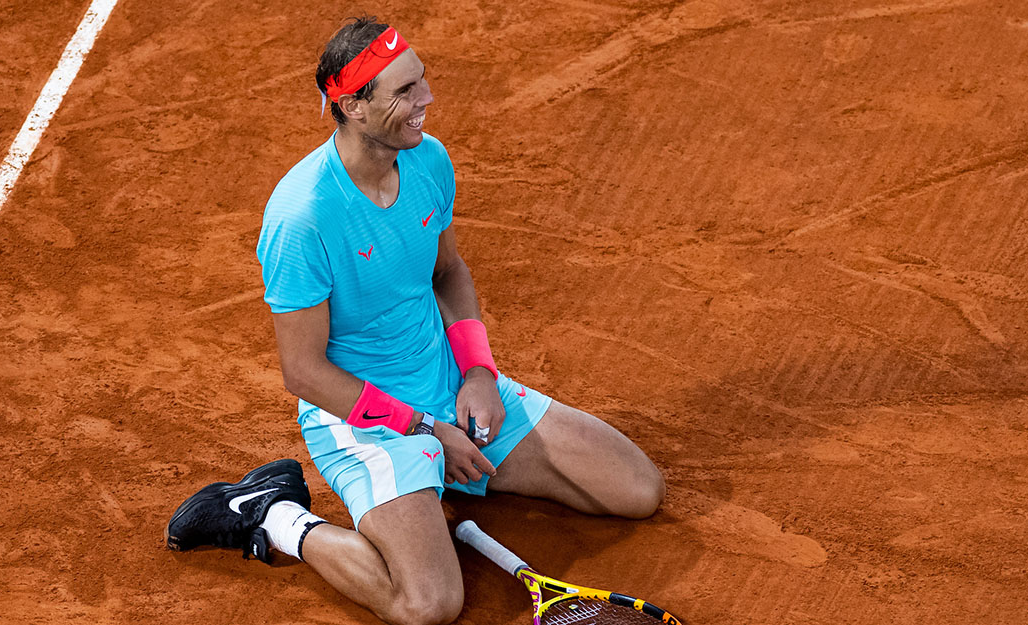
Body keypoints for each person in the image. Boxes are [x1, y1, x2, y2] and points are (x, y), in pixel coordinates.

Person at [166, 17, 666, 625]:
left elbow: (448, 272)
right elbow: (303, 370)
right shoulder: (302, 219)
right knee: (426, 604)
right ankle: (273, 515)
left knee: (638, 490)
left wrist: (479, 373)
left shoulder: (429, 162)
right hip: (364, 422)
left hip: (448, 389)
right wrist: (424, 430)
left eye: (421, 80)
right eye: (404, 92)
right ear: (351, 105)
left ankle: (434, 486)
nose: (425, 99)